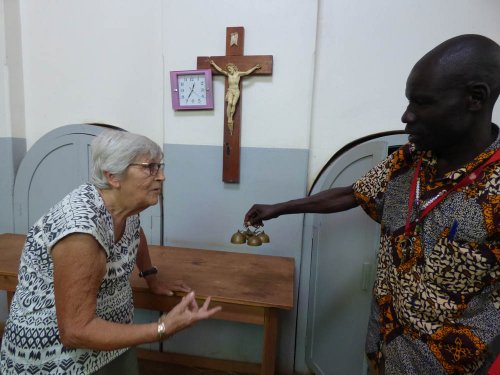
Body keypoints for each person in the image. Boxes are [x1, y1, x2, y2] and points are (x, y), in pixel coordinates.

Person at [244, 34, 500, 374]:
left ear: (475, 98)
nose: (406, 116)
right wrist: (280, 207)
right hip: (384, 349)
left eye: (422, 103)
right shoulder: (410, 160)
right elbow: (354, 192)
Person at [0, 130, 221, 375]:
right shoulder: (81, 231)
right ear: (112, 176)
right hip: (57, 358)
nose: (162, 176)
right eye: (150, 168)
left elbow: (135, 233)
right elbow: (75, 331)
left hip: (112, 336)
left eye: (160, 166)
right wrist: (161, 328)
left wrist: (151, 277)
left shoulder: (125, 209)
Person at [209, 60, 261, 135]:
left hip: (236, 91)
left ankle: (231, 116)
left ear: (233, 68)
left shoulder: (238, 74)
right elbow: (220, 70)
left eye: (230, 69)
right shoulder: (228, 75)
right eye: (228, 69)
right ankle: (229, 118)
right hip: (230, 90)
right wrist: (214, 64)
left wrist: (255, 68)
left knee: (233, 104)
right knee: (229, 103)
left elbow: (247, 72)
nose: (229, 70)